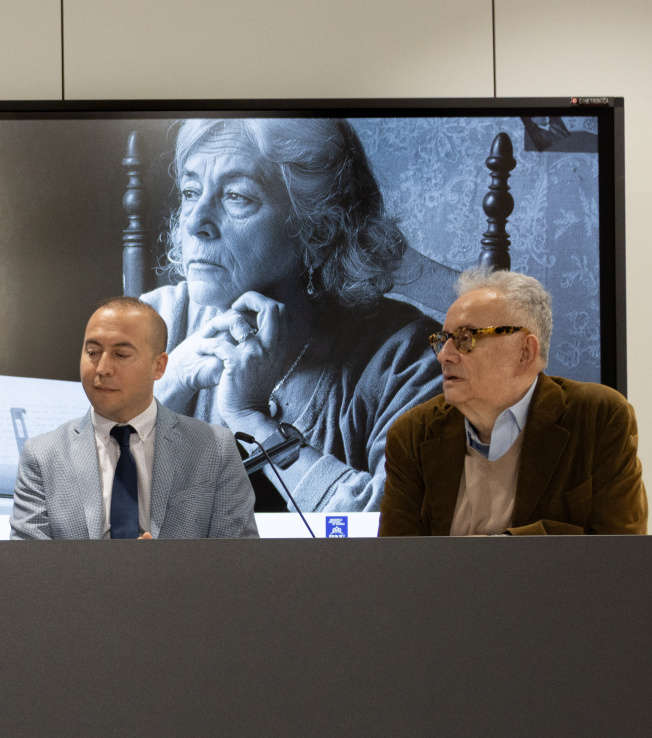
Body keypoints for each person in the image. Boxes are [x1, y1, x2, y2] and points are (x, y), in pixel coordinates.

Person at [143, 117, 443, 513]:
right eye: (190, 191)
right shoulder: (156, 321)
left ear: (317, 228)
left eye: (237, 197)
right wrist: (167, 388)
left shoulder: (406, 359)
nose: (196, 222)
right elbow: (77, 513)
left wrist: (252, 421)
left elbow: (397, 531)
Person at [379, 270, 646, 536]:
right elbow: (398, 565)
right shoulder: (412, 434)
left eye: (465, 339)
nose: (444, 356)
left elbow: (621, 553)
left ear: (525, 352)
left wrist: (503, 549)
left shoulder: (598, 417)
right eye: (442, 340)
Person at [11, 297, 257, 540]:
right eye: (93, 352)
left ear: (159, 366)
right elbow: (29, 569)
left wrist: (162, 570)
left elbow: (238, 564)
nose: (102, 368)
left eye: (121, 354)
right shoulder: (42, 455)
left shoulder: (215, 447)